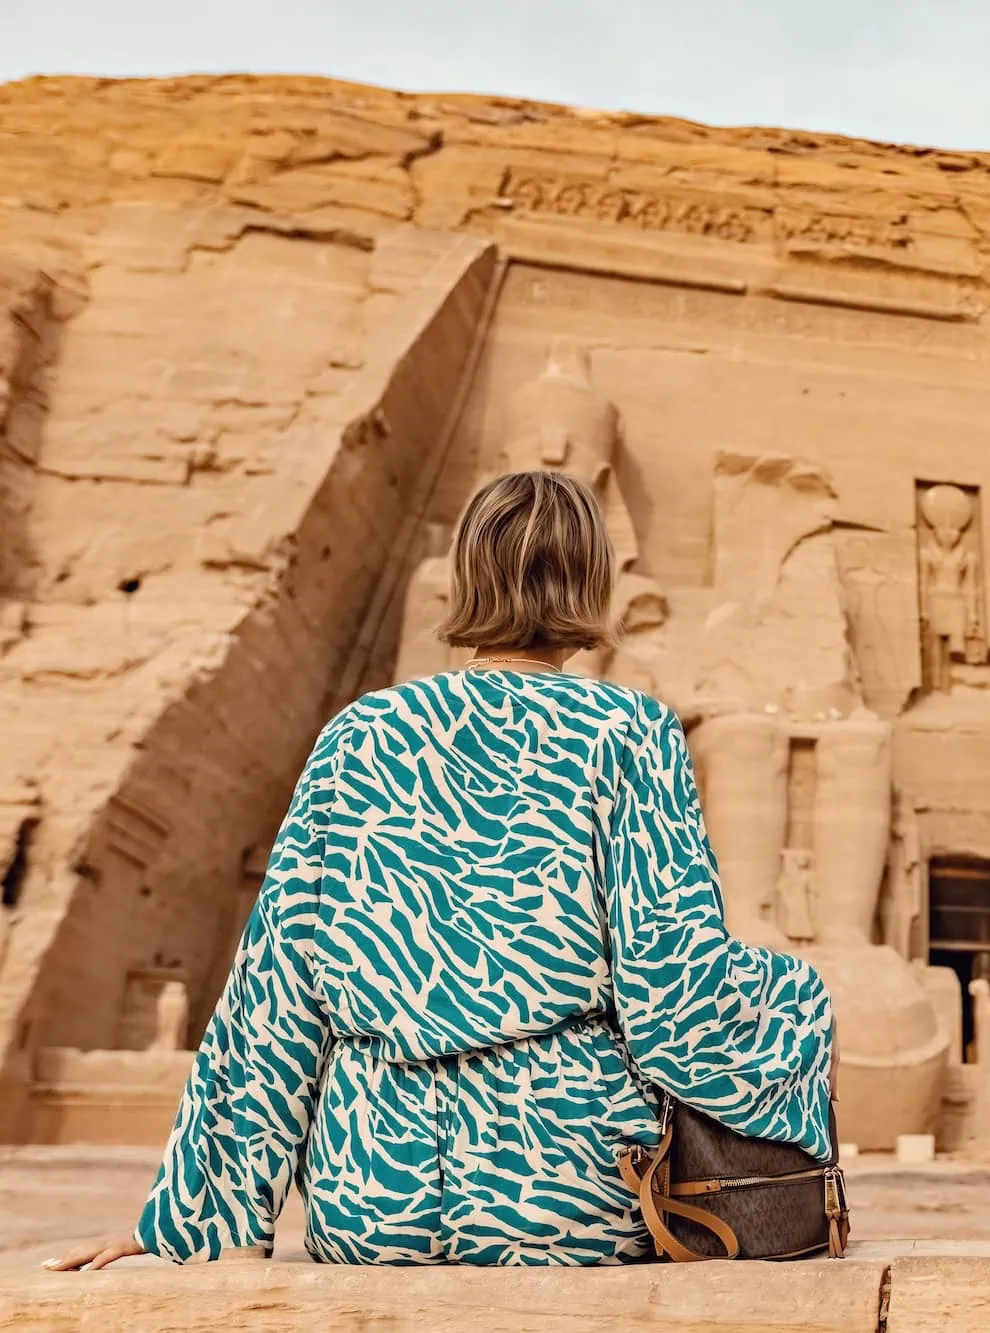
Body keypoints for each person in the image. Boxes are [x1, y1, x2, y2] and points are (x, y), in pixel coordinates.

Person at [48, 471, 834, 1269]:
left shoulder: (360, 735)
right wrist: (797, 1004)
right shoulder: (629, 731)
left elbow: (274, 993)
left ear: (467, 577)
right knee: (795, 991)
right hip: (562, 1195)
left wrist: (192, 1225)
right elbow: (674, 993)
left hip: (368, 1196)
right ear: (591, 581)